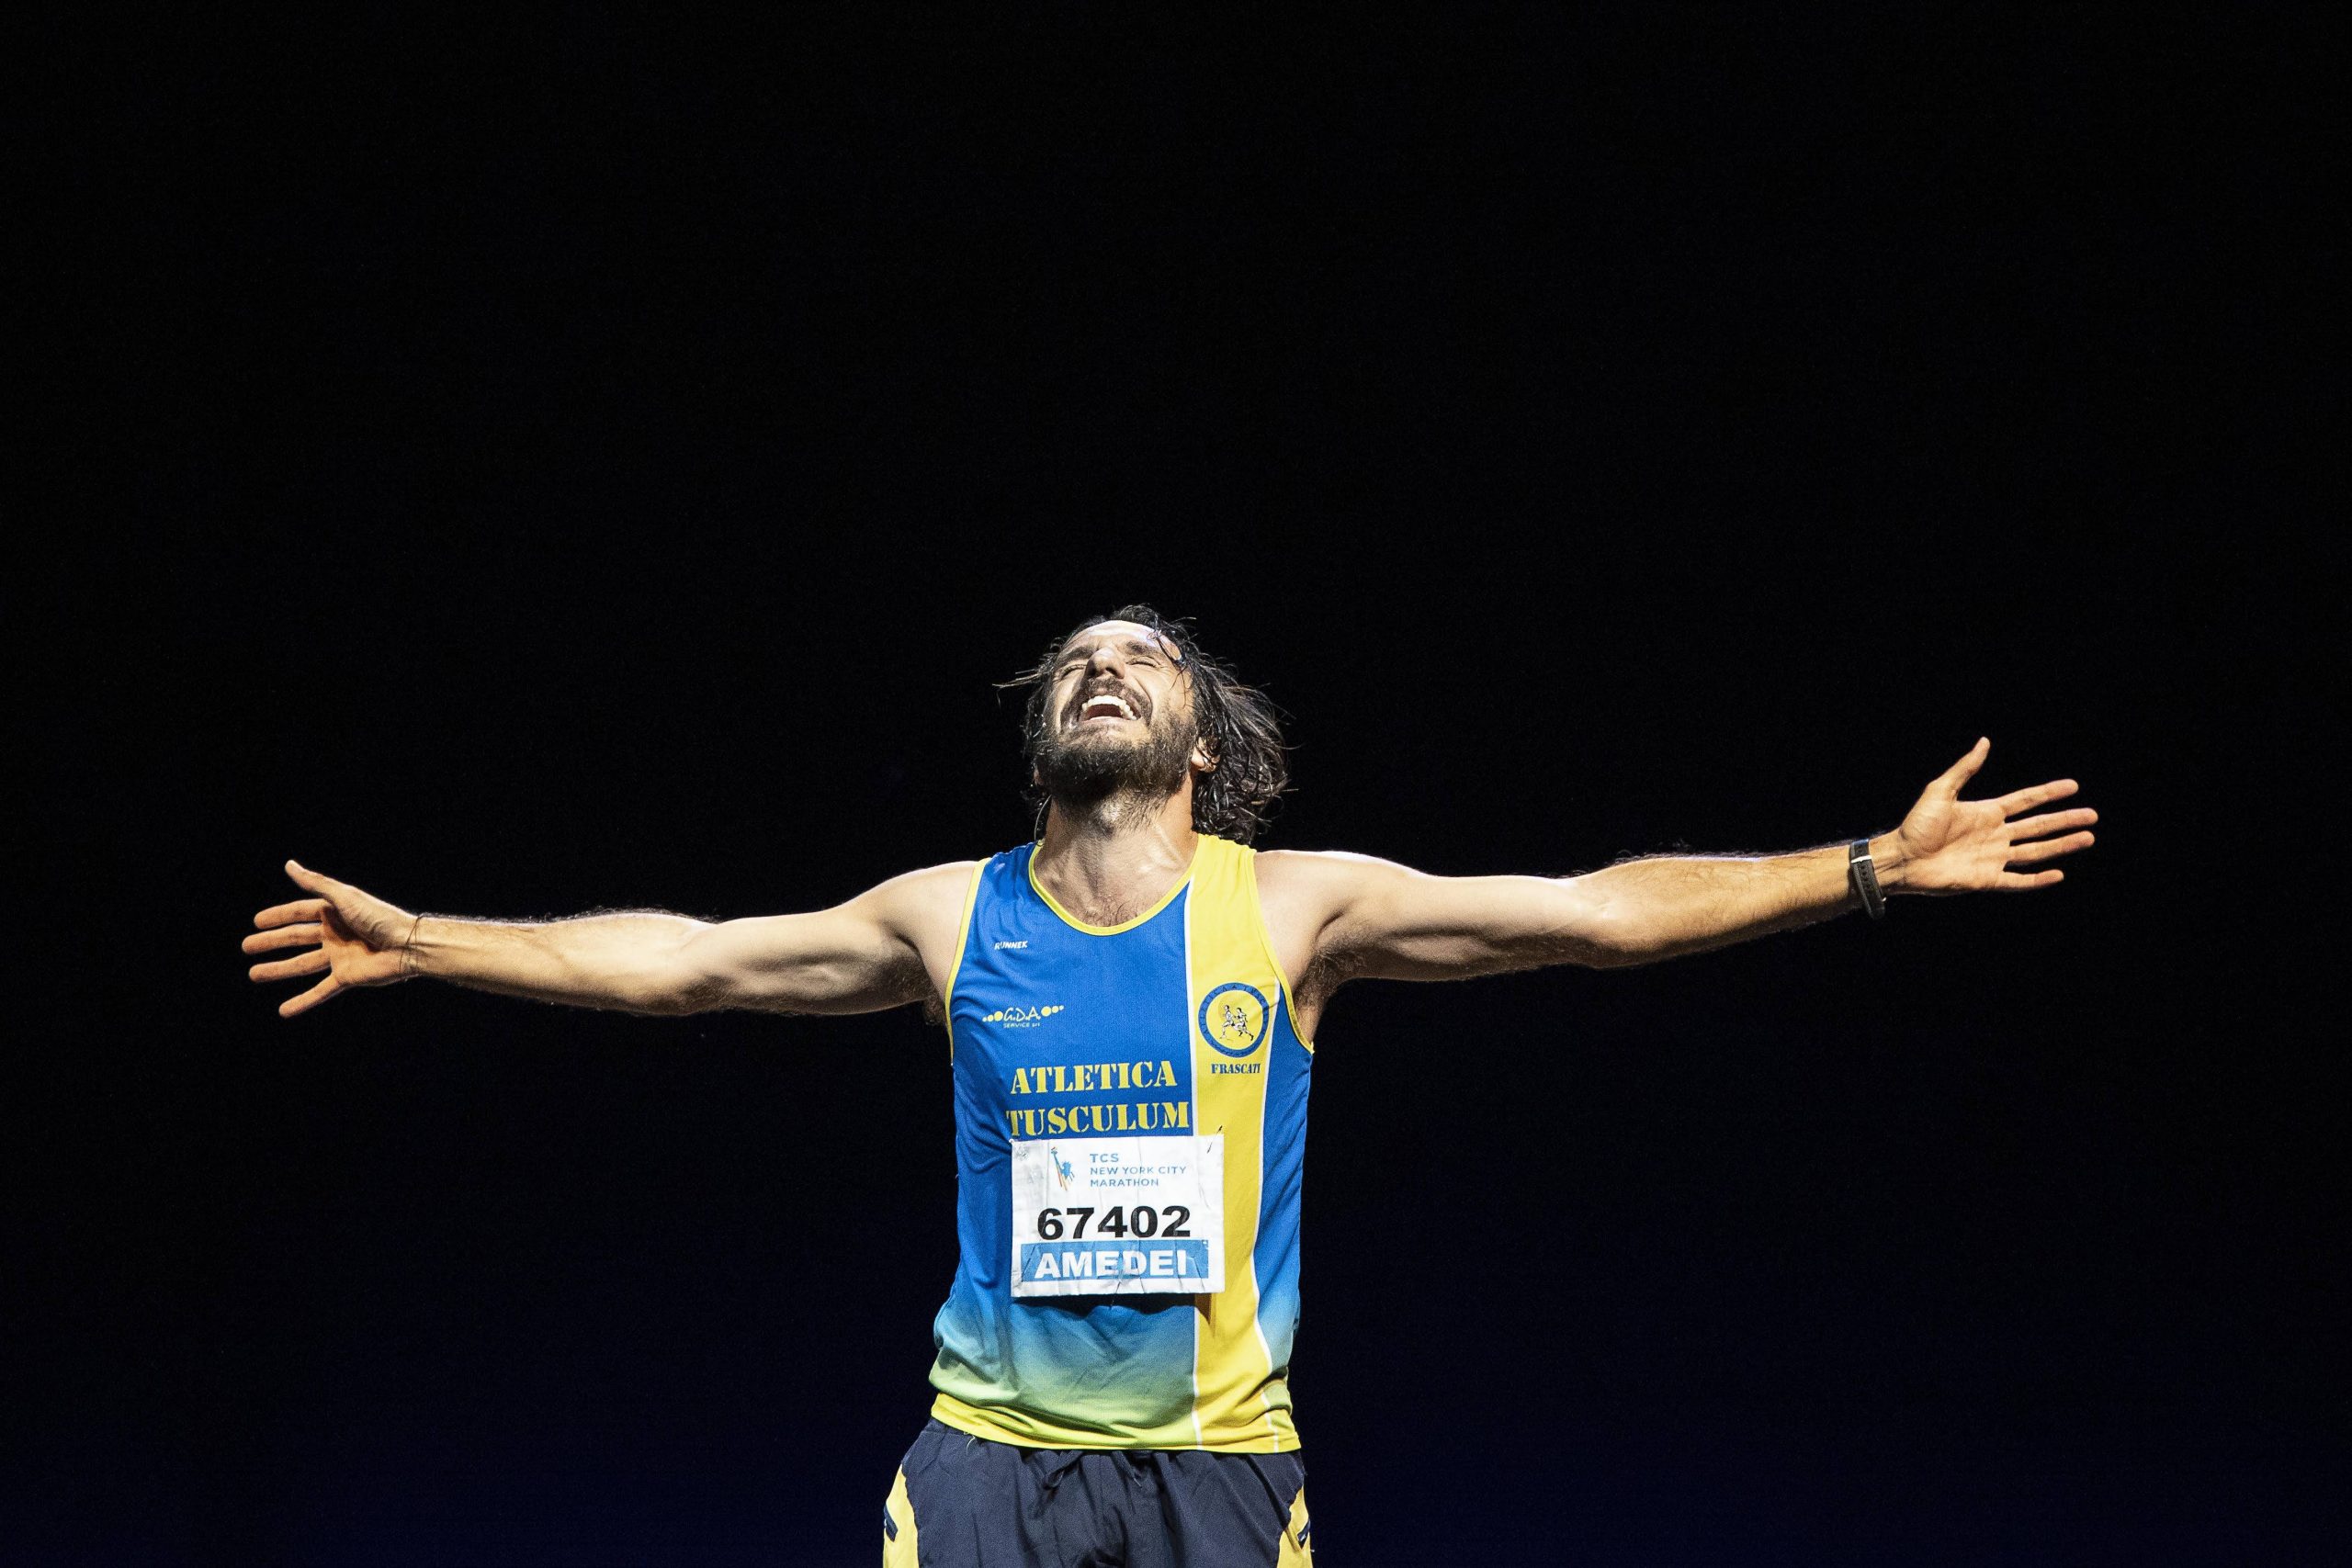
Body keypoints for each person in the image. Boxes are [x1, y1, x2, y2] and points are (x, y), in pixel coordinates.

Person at [243, 604, 2097, 1567]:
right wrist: (432, 941)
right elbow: (690, 957)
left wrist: (1868, 865)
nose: (1103, 669)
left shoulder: (1288, 910)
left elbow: (1595, 914)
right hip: (987, 1466)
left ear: (1203, 744)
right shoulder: (946, 917)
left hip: (1217, 1468)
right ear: (1042, 737)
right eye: (1076, 663)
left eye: (1140, 661)